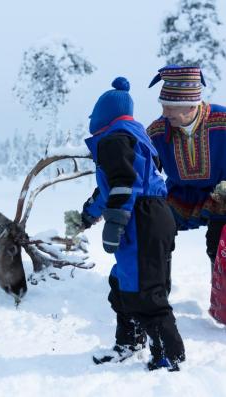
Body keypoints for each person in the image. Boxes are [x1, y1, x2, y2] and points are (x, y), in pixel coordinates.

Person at [81, 77, 185, 371]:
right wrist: (90, 212)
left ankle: (168, 356)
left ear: (103, 114)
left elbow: (123, 185)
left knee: (145, 290)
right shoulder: (132, 136)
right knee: (124, 282)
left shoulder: (114, 138)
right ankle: (130, 342)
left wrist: (114, 222)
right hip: (151, 215)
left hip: (141, 218)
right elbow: (113, 186)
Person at [147, 65, 226, 272]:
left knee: (219, 244)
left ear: (191, 106)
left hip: (222, 192)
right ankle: (155, 299)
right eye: (163, 105)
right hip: (179, 192)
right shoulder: (157, 131)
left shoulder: (223, 121)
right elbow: (136, 169)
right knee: (153, 227)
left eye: (170, 107)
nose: (164, 113)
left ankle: (222, 299)